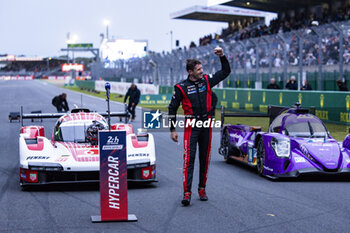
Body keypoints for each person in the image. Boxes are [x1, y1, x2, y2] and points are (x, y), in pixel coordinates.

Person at [168, 47, 231, 206]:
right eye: (199, 69)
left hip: (207, 124)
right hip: (191, 125)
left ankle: (202, 188)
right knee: (189, 159)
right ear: (190, 72)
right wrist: (172, 129)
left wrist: (222, 56)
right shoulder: (181, 87)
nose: (202, 71)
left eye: (202, 68)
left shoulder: (207, 80)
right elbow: (172, 108)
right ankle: (187, 193)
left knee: (205, 158)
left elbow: (225, 71)